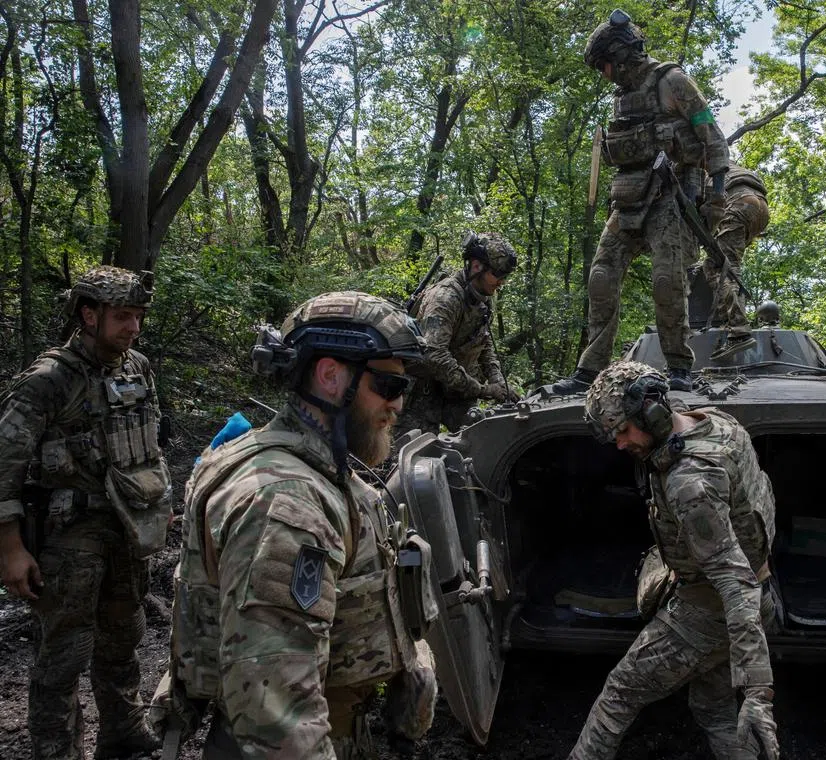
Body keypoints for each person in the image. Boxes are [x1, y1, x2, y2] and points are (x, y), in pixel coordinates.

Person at [152, 291, 438, 758]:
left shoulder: (317, 470)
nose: (399, 404)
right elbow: (276, 716)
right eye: (389, 386)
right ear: (330, 376)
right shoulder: (287, 504)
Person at [0, 266, 171, 760]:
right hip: (68, 536)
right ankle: (57, 749)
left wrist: (160, 505)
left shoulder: (137, 368)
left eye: (138, 316)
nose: (134, 327)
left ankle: (122, 731)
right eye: (123, 316)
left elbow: (149, 447)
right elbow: (4, 466)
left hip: (128, 528)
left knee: (124, 637)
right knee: (63, 654)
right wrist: (10, 550)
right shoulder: (48, 382)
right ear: (89, 315)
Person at [570, 360, 779, 760]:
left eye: (623, 430)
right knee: (713, 708)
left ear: (652, 412)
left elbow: (734, 582)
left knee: (619, 694)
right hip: (762, 593)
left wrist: (757, 691)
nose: (619, 444)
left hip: (713, 612)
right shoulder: (718, 423)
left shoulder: (689, 482)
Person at [552, 9, 731, 394]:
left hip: (671, 193)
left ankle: (679, 366)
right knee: (601, 276)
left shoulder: (672, 81)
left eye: (604, 65)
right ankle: (589, 370)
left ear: (621, 55)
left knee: (667, 280)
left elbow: (713, 139)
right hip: (629, 198)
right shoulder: (622, 97)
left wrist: (716, 197)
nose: (604, 75)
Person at [396, 231, 519, 440]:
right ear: (476, 266)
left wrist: (499, 382)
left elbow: (484, 343)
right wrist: (484, 390)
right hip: (421, 391)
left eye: (505, 277)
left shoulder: (483, 298)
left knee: (484, 441)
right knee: (415, 453)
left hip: (456, 390)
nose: (501, 282)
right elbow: (434, 356)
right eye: (497, 275)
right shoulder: (446, 298)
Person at [702, 163, 769, 360]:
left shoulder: (701, 169)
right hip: (761, 207)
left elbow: (702, 210)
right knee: (732, 267)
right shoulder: (728, 164)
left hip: (739, 203)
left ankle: (738, 329)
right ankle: (733, 323)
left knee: (715, 267)